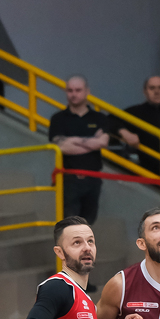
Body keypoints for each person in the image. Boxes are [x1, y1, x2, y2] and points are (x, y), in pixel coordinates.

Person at [49, 74, 113, 221]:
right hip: (69, 180)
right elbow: (61, 147)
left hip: (93, 178)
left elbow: (103, 143)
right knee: (70, 224)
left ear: (87, 91)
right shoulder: (58, 119)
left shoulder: (100, 118)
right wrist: (92, 142)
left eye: (78, 90)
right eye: (70, 90)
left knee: (88, 222)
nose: (73, 94)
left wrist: (72, 140)